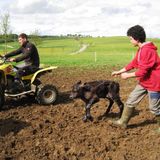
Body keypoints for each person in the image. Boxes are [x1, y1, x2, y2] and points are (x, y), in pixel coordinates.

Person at [111, 25, 160, 134]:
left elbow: (142, 71)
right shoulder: (141, 49)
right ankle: (122, 122)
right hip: (144, 82)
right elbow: (134, 63)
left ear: (136, 39)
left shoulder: (147, 50)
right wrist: (120, 71)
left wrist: (127, 75)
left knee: (154, 109)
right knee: (131, 100)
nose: (130, 41)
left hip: (154, 84)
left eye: (130, 38)